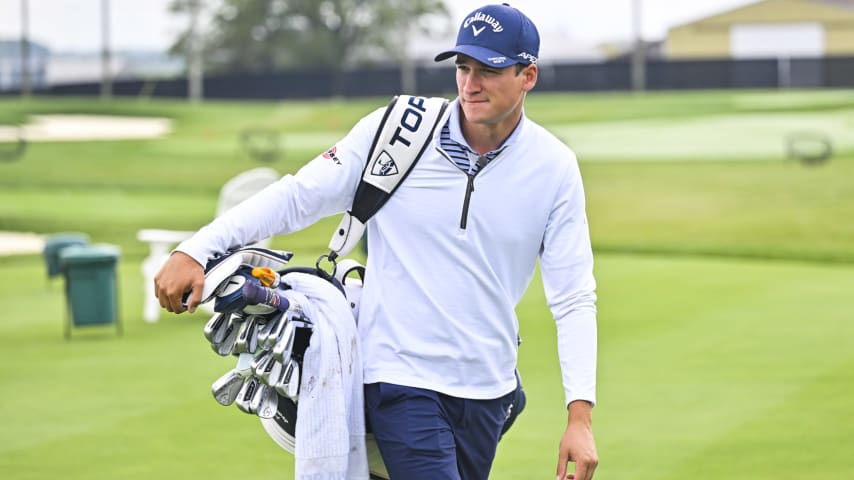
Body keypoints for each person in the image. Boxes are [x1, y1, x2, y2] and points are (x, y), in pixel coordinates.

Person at [154, 3, 599, 479]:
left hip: (490, 389)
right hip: (400, 378)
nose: (470, 84)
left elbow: (573, 297)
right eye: (463, 68)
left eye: (488, 70)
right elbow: (297, 196)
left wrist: (580, 417)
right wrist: (196, 248)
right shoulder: (397, 131)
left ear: (527, 75)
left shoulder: (554, 168)